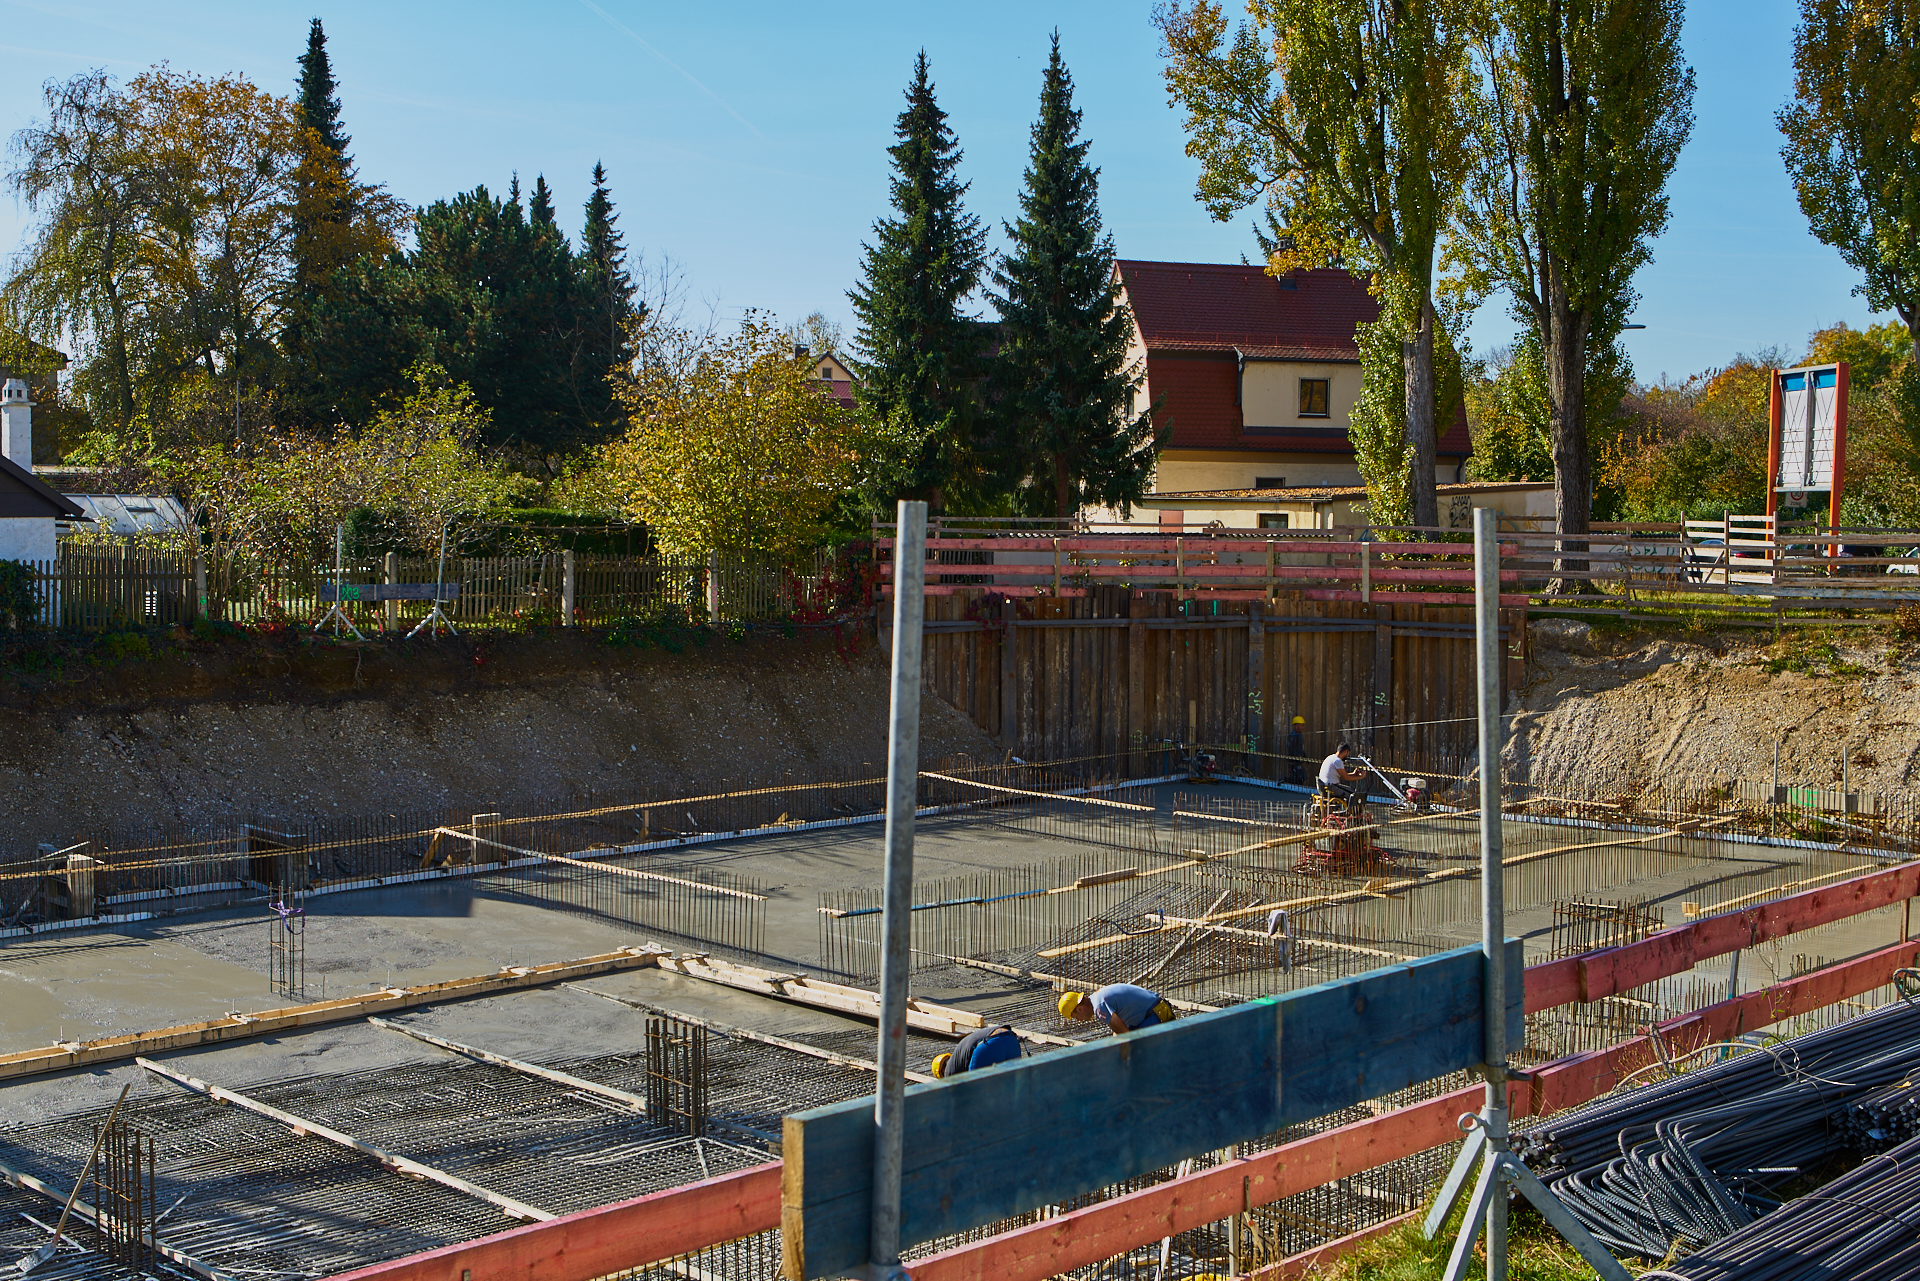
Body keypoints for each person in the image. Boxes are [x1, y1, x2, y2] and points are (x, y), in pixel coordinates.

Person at [1058, 983, 1175, 1034]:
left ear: (1079, 1009)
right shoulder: (1098, 998)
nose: (1078, 1020)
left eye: (1075, 1017)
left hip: (1155, 1016)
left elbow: (1125, 1034)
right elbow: (1118, 1030)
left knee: (1136, 1053)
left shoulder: (1099, 1007)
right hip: (1157, 1011)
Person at [930, 1024, 1022, 1079]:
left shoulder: (948, 1071)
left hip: (989, 1045)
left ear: (942, 1071)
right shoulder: (958, 1057)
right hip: (1011, 1040)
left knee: (976, 1092)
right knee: (1011, 1088)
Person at [1286, 716, 1308, 784]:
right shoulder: (1293, 736)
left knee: (1300, 777)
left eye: (1303, 725)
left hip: (1297, 760)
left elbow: (1299, 748)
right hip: (1294, 761)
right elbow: (1291, 748)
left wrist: (1304, 755)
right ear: (1296, 726)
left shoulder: (1299, 735)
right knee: (1300, 776)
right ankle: (1283, 781)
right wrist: (1297, 757)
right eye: (1301, 725)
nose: (1303, 727)